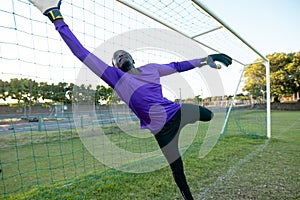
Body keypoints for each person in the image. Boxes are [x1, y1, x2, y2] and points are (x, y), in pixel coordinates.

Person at [29, 1, 232, 199]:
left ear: (132, 58)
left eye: (123, 54)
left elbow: (177, 65)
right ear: (115, 66)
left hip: (176, 111)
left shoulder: (151, 69)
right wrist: (57, 19)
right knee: (177, 168)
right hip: (161, 130)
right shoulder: (116, 78)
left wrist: (205, 60)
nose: (120, 56)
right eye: (116, 58)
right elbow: (82, 53)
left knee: (209, 115)